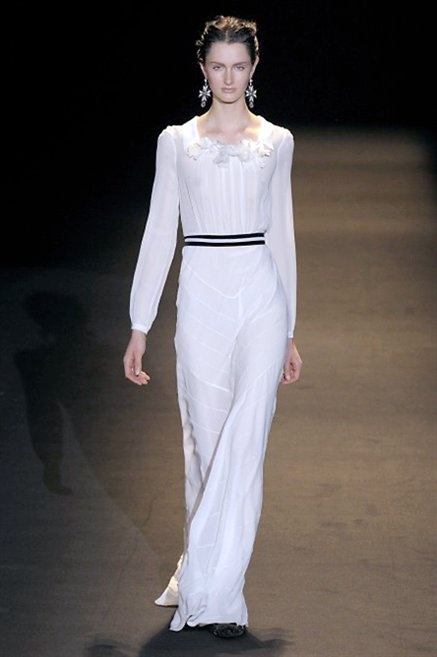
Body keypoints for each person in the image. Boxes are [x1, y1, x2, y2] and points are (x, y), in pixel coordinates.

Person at [123, 14, 303, 639]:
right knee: (206, 444)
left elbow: (282, 232)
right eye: (219, 66)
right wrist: (140, 322)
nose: (229, 78)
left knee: (245, 444)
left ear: (254, 68)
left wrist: (290, 328)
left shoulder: (277, 141)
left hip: (260, 297)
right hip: (201, 296)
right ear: (203, 69)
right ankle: (199, 568)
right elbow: (158, 231)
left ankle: (222, 596)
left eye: (240, 66)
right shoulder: (177, 142)